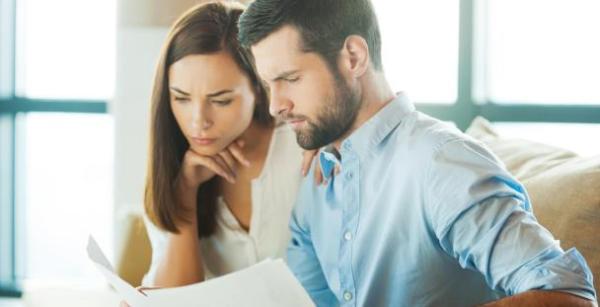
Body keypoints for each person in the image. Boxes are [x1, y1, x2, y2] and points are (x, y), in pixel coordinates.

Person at [238, 0, 598, 306]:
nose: (275, 106)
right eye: (268, 84)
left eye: (290, 78)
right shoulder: (316, 185)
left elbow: (569, 295)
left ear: (353, 57)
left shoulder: (441, 163)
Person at [140, 1, 319, 290]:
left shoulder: (306, 151)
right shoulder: (171, 166)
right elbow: (173, 298)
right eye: (181, 98)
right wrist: (185, 192)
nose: (198, 122)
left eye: (221, 100)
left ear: (259, 90)